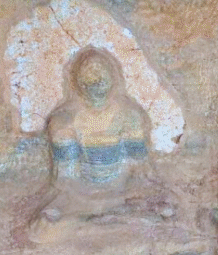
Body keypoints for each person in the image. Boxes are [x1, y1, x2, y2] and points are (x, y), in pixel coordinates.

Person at [48, 47, 149, 185]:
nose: (97, 76)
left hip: (123, 192)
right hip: (80, 195)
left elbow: (139, 173)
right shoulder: (63, 121)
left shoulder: (130, 117)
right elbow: (66, 180)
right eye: (89, 70)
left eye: (102, 69)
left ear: (113, 76)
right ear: (78, 80)